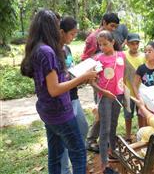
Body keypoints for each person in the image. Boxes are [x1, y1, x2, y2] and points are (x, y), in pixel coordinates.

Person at [20, 9, 98, 174]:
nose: (58, 29)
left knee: (55, 155)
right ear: (49, 27)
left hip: (48, 111)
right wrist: (82, 76)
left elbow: (52, 82)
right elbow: (54, 89)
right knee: (78, 152)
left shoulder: (38, 48)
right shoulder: (47, 52)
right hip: (60, 112)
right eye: (56, 25)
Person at [83, 13, 120, 153]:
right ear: (104, 23)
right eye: (111, 26)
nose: (113, 29)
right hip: (99, 82)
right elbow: (85, 57)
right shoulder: (93, 38)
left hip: (113, 83)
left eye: (115, 27)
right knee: (101, 111)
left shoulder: (111, 36)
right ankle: (91, 139)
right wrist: (98, 61)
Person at [59, 16, 89, 174]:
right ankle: (65, 169)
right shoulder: (54, 52)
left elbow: (70, 68)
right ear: (62, 32)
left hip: (74, 95)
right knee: (64, 138)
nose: (74, 37)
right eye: (72, 34)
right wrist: (80, 77)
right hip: (64, 99)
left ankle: (73, 160)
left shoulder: (67, 49)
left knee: (83, 128)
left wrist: (81, 74)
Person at [94, 30, 125, 174]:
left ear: (113, 42)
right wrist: (102, 91)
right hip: (105, 97)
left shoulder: (121, 56)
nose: (102, 47)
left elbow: (126, 75)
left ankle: (113, 151)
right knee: (104, 129)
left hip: (118, 95)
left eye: (105, 44)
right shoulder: (98, 59)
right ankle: (104, 163)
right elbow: (91, 80)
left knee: (113, 125)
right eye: (100, 44)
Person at [124, 33, 145, 142]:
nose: (135, 46)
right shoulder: (123, 56)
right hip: (127, 91)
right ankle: (128, 136)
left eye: (137, 43)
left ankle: (141, 135)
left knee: (141, 114)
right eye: (132, 43)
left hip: (140, 91)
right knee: (128, 115)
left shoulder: (143, 57)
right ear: (127, 44)